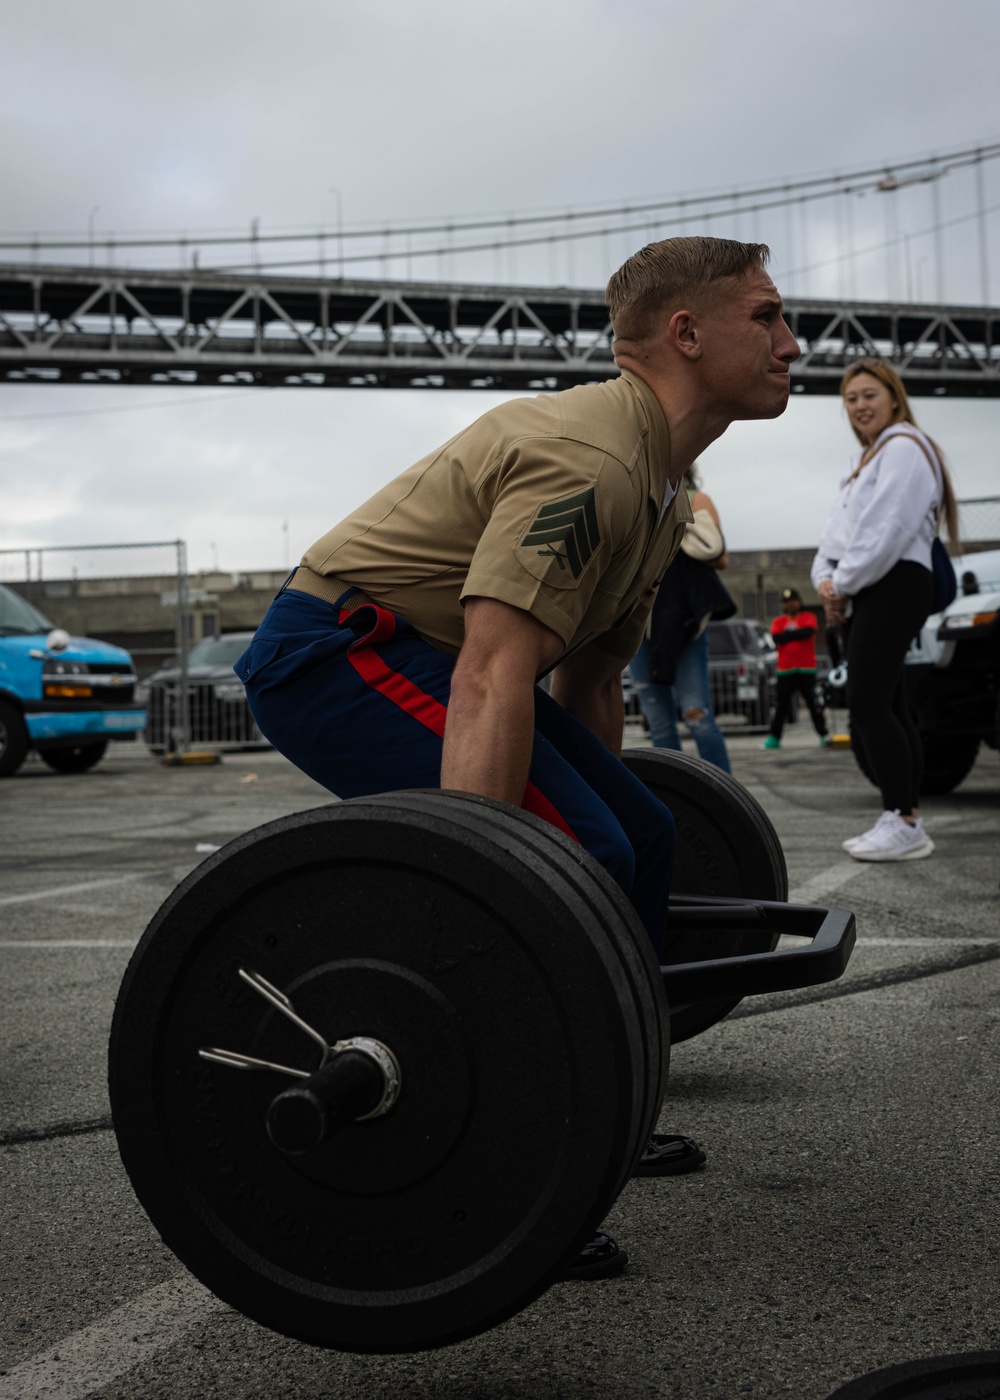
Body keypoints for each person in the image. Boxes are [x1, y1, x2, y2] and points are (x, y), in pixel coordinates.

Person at [237, 236, 800, 1276]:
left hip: (430, 651)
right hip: (332, 654)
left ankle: (604, 1112)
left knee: (639, 830)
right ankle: (514, 1150)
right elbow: (493, 676)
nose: (791, 341)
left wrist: (602, 836)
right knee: (564, 853)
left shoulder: (662, 485)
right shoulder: (590, 459)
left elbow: (584, 685)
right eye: (765, 316)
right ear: (685, 332)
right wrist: (498, 893)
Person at [811, 358, 958, 862]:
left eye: (870, 395)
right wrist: (826, 581)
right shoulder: (869, 459)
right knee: (889, 703)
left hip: (894, 580)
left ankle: (904, 819)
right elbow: (835, 536)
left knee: (868, 701)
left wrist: (841, 584)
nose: (859, 406)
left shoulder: (904, 449)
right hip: (872, 583)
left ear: (894, 397)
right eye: (851, 399)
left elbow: (885, 530)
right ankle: (903, 814)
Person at [629, 466, 734, 771]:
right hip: (638, 621)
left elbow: (720, 557)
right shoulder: (633, 495)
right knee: (659, 723)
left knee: (697, 714)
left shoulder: (696, 500)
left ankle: (725, 799)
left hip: (683, 622)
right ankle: (672, 800)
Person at [760, 587, 828, 749]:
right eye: (787, 603)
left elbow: (807, 632)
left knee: (813, 704)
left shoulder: (808, 617)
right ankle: (775, 738)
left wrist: (787, 636)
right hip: (785, 670)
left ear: (799, 602)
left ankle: (824, 734)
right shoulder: (778, 621)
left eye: (793, 602)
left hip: (806, 669)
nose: (790, 605)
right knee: (781, 706)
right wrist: (793, 634)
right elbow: (776, 637)